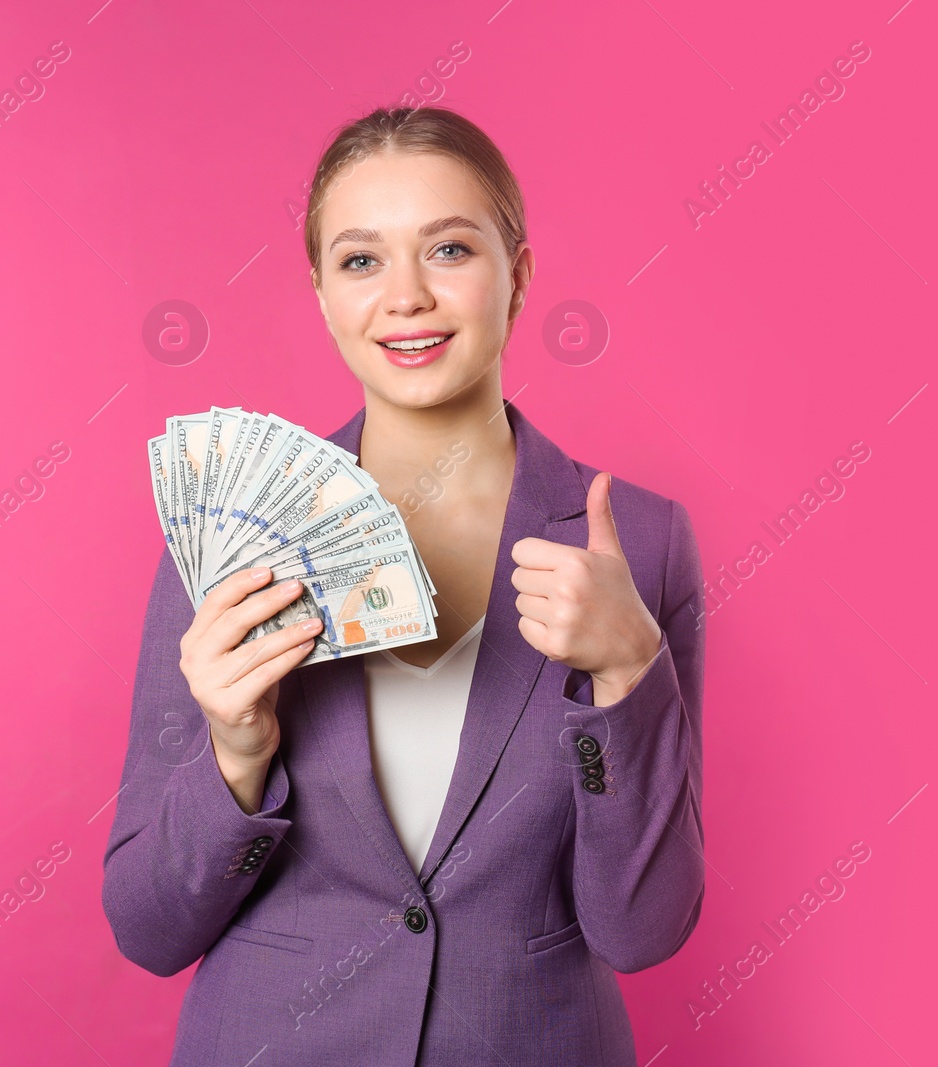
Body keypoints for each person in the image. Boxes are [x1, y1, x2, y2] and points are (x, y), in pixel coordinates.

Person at [102, 105, 706, 1067]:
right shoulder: (229, 535)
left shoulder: (638, 540)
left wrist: (632, 676)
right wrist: (233, 754)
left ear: (520, 273)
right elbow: (147, 929)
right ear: (321, 294)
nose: (408, 297)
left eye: (451, 249)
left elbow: (642, 929)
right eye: (361, 260)